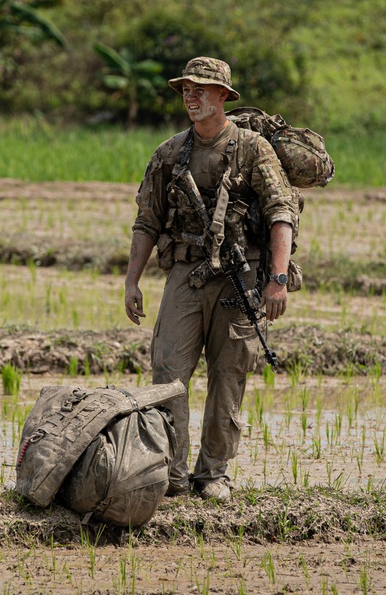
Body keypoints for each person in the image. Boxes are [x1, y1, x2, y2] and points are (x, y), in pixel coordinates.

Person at [124, 56, 297, 502]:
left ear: (223, 96)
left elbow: (281, 214)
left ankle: (213, 474)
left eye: (201, 88)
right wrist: (132, 281)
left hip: (240, 279)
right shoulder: (168, 153)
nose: (191, 96)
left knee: (229, 374)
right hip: (186, 273)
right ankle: (173, 474)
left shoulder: (252, 148)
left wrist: (277, 280)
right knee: (168, 373)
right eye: (186, 88)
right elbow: (147, 221)